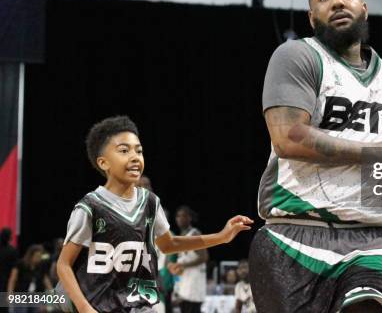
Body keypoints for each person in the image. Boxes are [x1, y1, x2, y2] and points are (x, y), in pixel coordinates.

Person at [250, 0, 382, 313]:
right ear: (312, 16)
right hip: (295, 235)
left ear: (363, 7)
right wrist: (376, 153)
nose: (336, 2)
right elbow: (288, 138)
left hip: (373, 238)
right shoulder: (296, 56)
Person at [56, 116, 253, 313]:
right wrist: (83, 307)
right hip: (99, 306)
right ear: (103, 163)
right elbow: (64, 265)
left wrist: (221, 237)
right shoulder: (90, 207)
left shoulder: (150, 202)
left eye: (138, 150)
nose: (134, 156)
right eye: (124, 151)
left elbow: (169, 245)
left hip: (141, 305)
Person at [169, 205, 209, 313]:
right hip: (184, 282)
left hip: (194, 283)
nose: (180, 218)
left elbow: (204, 257)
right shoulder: (181, 235)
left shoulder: (194, 233)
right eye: (178, 216)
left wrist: (182, 265)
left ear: (189, 218)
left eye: (183, 216)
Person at [7, 244, 53, 312]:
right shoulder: (20, 264)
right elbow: (12, 280)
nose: (39, 258)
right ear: (31, 256)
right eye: (37, 256)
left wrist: (52, 295)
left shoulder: (41, 267)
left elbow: (46, 282)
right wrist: (9, 293)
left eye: (40, 256)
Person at [0, 227, 18, 310]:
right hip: (4, 285)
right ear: (10, 237)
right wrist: (10, 291)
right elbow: (13, 275)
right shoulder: (12, 251)